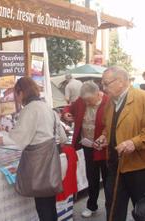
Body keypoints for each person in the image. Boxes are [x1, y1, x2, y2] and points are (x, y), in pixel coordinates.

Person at [0, 77, 67, 221]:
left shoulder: (30, 109)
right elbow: (63, 137)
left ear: (21, 93)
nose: (16, 97)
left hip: (39, 164)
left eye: (16, 93)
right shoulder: (46, 107)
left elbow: (17, 141)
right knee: (49, 205)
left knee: (43, 207)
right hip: (51, 160)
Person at [95, 66, 145, 221]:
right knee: (113, 208)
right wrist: (104, 137)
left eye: (106, 83)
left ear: (121, 82)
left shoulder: (142, 98)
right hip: (115, 165)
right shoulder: (110, 102)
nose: (103, 88)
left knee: (141, 211)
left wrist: (134, 142)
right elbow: (107, 126)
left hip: (139, 168)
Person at [63, 81, 108, 218]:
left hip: (104, 148)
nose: (87, 103)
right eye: (85, 100)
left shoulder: (108, 101)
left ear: (98, 93)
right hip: (88, 147)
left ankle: (111, 207)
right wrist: (66, 114)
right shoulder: (81, 101)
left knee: (108, 180)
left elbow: (113, 123)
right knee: (92, 178)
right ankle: (91, 206)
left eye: (89, 100)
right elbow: (68, 108)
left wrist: (104, 135)